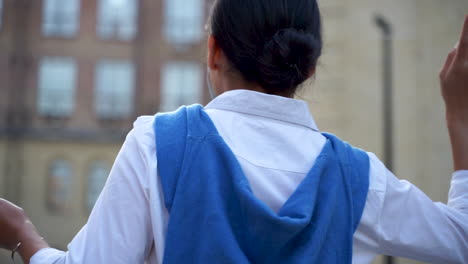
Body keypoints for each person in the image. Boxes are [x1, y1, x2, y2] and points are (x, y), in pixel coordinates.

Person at [1, 0, 468, 263]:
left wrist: (23, 234)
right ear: (308, 65)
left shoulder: (158, 144)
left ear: (213, 51)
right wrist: (459, 114)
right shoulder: (357, 176)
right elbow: (460, 239)